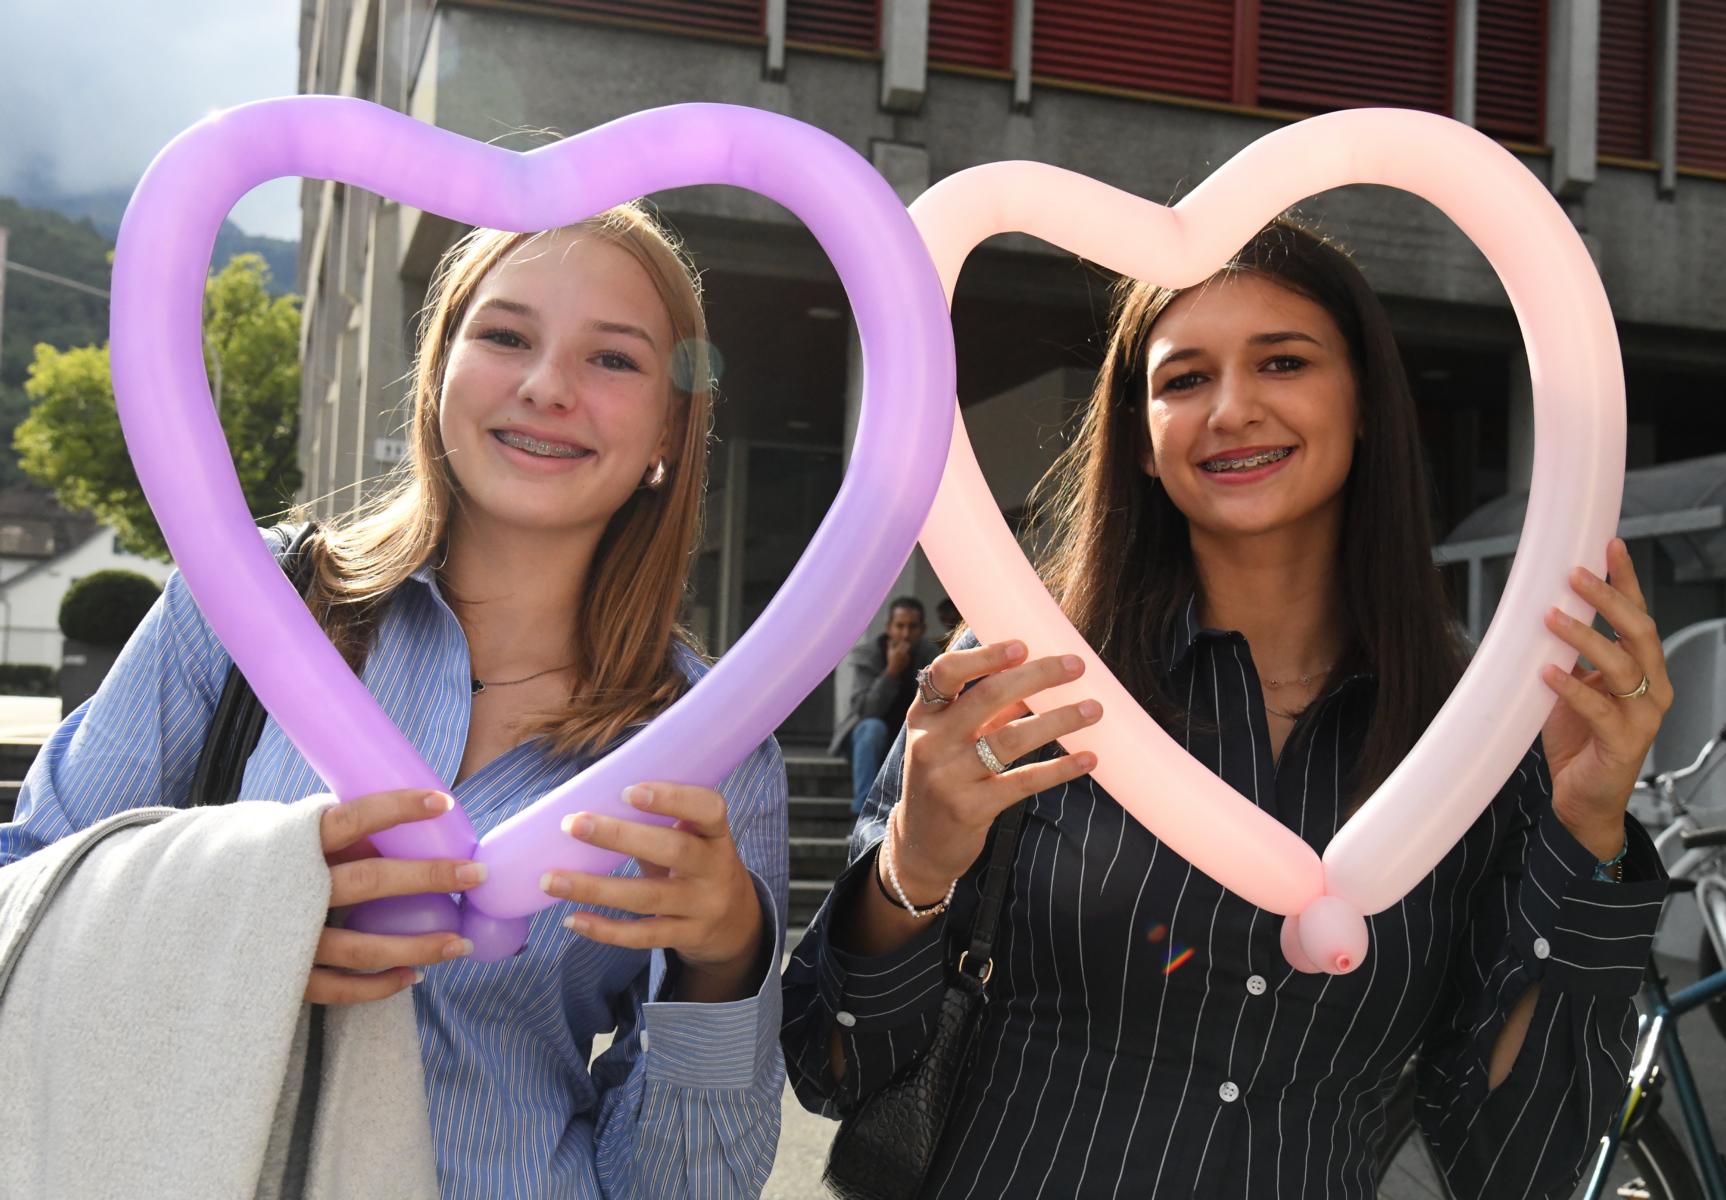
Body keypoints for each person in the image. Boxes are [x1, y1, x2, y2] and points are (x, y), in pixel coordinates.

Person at [783, 221, 1671, 1198]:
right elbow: (831, 1065)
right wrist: (917, 862)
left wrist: (1584, 827)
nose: (1233, 409)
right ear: (1141, 439)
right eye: (1184, 379)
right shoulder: (1013, 679)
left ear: (1365, 402)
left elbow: (1516, 1161)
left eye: (1281, 361)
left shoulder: (1477, 737)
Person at [1, 204, 789, 1198]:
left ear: (671, 429)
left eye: (615, 360)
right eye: (505, 336)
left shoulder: (707, 745)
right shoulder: (245, 606)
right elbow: (23, 886)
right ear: (438, 373)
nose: (547, 387)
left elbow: (685, 1191)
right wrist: (241, 917)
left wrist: (725, 964)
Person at [829, 597, 939, 813]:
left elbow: (935, 706)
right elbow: (866, 710)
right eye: (900, 626)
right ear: (889, 627)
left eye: (912, 627)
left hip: (908, 736)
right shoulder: (868, 655)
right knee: (872, 728)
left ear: (922, 629)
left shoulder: (931, 656)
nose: (905, 634)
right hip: (868, 740)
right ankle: (864, 813)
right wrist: (891, 673)